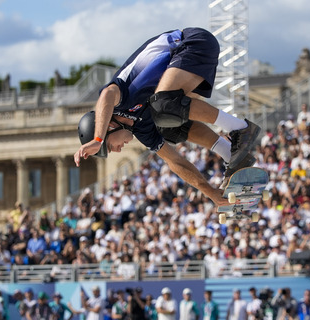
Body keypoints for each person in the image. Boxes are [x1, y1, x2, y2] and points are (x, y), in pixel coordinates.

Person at [74, 27, 261, 205]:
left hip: (191, 43)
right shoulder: (142, 129)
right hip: (187, 63)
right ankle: (231, 154)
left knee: (164, 106)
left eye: (109, 146)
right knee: (168, 127)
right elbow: (175, 161)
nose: (116, 150)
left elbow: (106, 95)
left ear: (109, 127)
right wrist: (209, 191)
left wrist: (97, 139)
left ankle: (240, 128)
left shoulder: (119, 98)